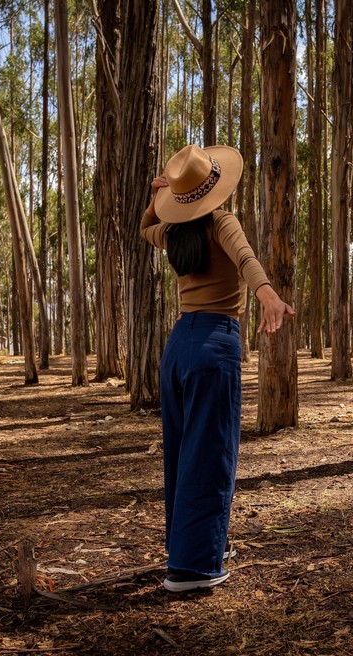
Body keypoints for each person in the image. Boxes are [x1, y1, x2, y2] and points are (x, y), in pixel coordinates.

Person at [140, 144, 294, 592]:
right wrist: (268, 295)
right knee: (210, 454)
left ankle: (188, 549)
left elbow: (144, 226)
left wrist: (157, 198)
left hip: (178, 345)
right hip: (214, 345)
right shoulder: (222, 221)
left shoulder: (173, 231)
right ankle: (194, 568)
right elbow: (246, 259)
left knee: (183, 451)